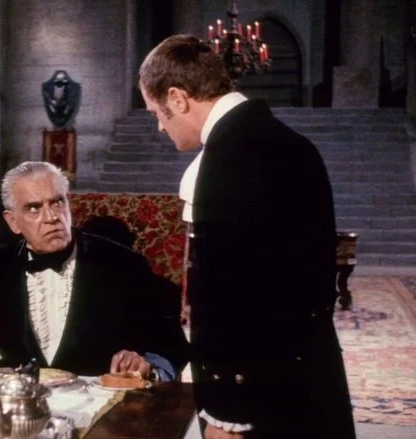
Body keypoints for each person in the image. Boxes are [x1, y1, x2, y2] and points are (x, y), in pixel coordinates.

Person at [138, 35, 355, 438]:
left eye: (157, 113)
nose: (159, 126)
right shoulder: (292, 143)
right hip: (310, 374)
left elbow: (230, 299)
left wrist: (226, 414)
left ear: (178, 98)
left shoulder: (225, 159)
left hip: (258, 402)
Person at [0, 161, 188, 382]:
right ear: (13, 222)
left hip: (102, 399)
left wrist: (146, 364)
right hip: (22, 398)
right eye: (34, 208)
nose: (52, 217)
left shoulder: (124, 263)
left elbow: (169, 343)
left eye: (57, 202)